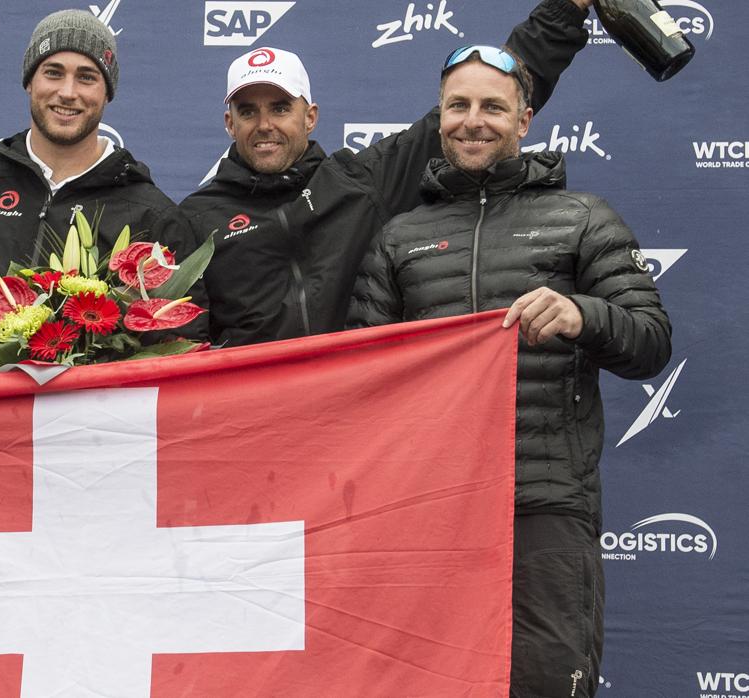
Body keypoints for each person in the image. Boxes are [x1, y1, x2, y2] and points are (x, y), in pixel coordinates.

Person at [349, 45, 671, 697]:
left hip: (544, 501)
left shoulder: (582, 218)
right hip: (428, 507)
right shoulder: (398, 236)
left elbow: (650, 343)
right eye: (458, 106)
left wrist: (581, 315)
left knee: (548, 682)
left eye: (492, 107)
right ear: (438, 119)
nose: (474, 120)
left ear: (523, 120)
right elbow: (361, 373)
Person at [181, 0, 594, 347]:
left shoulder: (359, 183)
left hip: (359, 423)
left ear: (310, 117)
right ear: (229, 123)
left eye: (280, 108)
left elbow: (495, 88)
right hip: (254, 428)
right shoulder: (196, 218)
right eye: (247, 111)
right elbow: (181, 347)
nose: (264, 124)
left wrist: (566, 10)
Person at [0, 8, 196, 284]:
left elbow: (180, 325)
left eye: (86, 77)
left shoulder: (151, 215)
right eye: (53, 73)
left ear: (107, 92)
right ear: (29, 82)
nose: (68, 92)